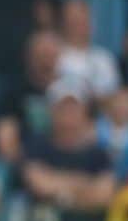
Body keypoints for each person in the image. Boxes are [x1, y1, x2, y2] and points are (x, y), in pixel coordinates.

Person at [22, 81, 117, 209]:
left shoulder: (98, 153)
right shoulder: (37, 146)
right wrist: (86, 184)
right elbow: (40, 185)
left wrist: (59, 186)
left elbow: (104, 194)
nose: (68, 113)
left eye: (74, 107)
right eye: (62, 107)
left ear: (84, 111)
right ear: (51, 111)